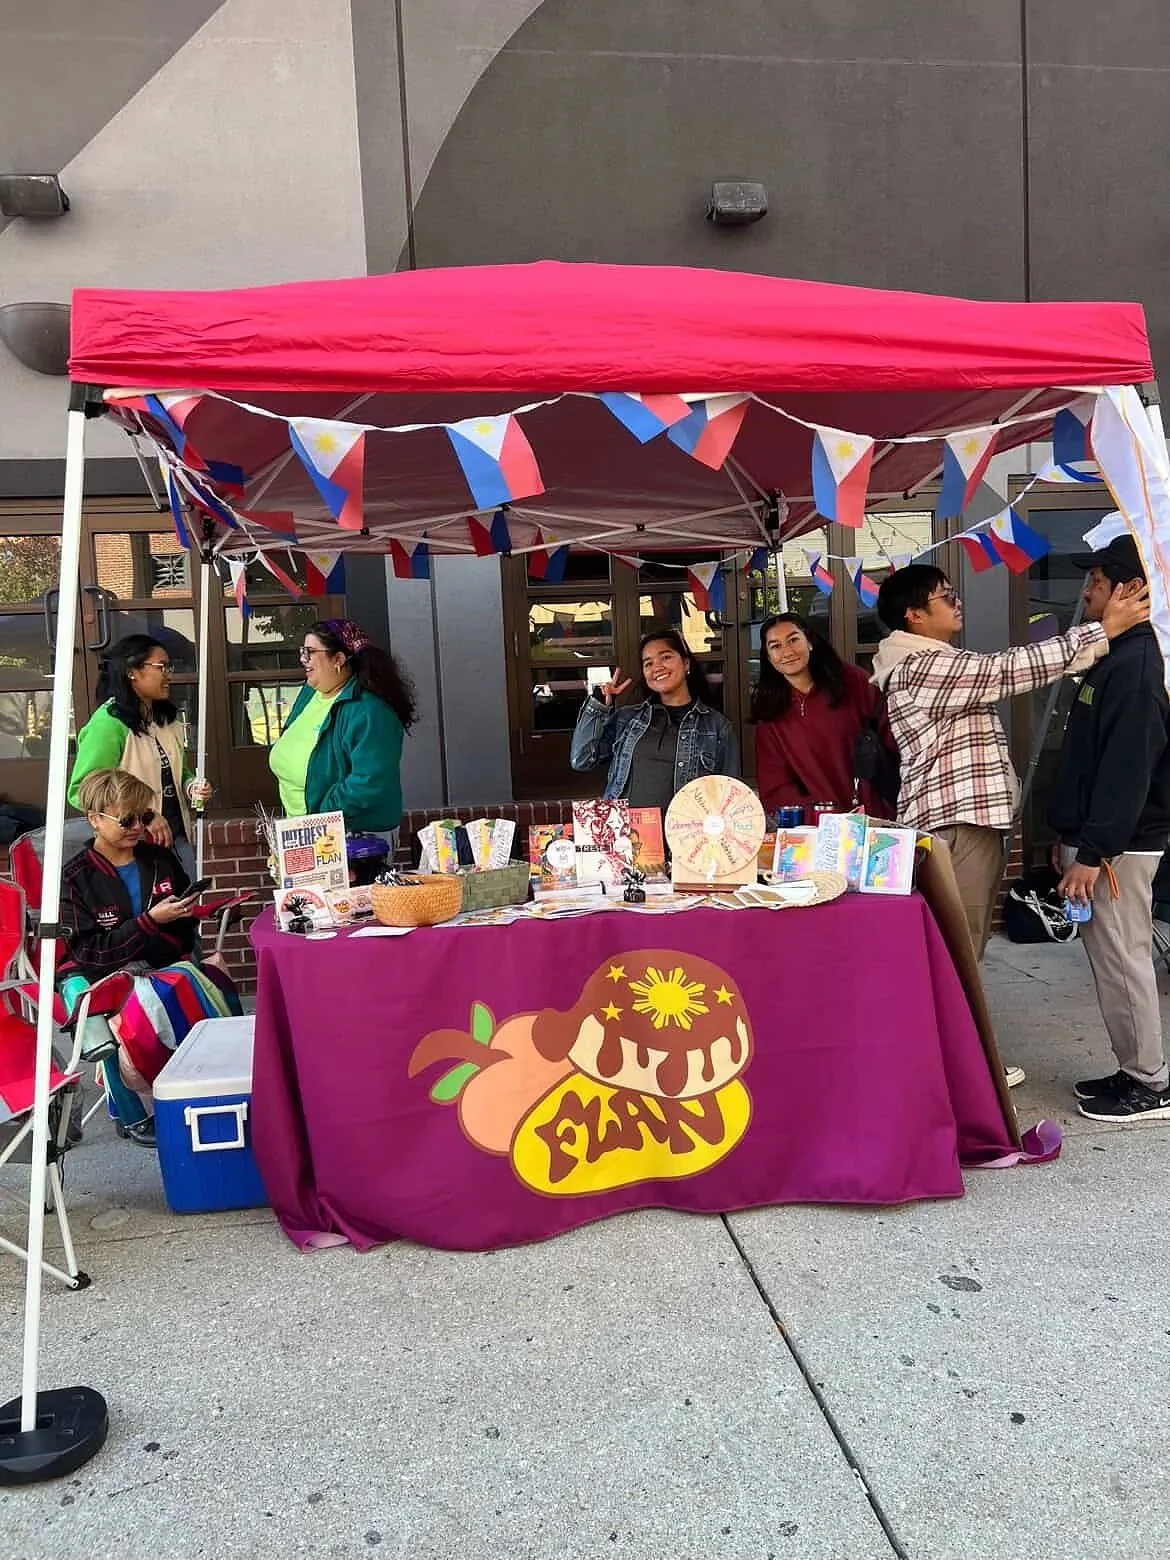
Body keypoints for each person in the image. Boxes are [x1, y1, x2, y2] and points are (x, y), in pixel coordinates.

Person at [872, 562, 1150, 1090]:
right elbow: (1007, 670)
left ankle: (954, 1063)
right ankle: (962, 1072)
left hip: (962, 825)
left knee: (959, 948)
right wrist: (1102, 632)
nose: (957, 602)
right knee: (959, 952)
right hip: (957, 826)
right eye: (945, 596)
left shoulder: (924, 661)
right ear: (914, 616)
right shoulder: (919, 666)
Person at [1049, 535, 1170, 1122]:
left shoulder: (1139, 666)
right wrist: (1069, 835)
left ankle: (1151, 1082)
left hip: (1120, 847)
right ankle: (1133, 1066)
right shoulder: (1115, 654)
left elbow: (1127, 771)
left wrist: (1092, 852)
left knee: (1124, 960)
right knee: (1113, 961)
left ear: (1130, 589)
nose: (1087, 592)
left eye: (1096, 582)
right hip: (1099, 841)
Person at [61, 769, 242, 1146]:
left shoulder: (159, 859)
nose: (137, 828)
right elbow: (91, 954)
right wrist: (149, 923)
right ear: (95, 819)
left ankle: (218, 1087)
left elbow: (183, 934)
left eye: (143, 817)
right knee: (133, 1004)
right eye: (126, 819)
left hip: (163, 967)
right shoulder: (75, 878)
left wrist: (192, 912)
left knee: (212, 981)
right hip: (104, 976)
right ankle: (138, 1110)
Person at [69, 634, 211, 878]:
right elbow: (82, 790)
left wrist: (191, 786)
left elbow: (177, 772)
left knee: (188, 896)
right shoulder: (108, 724)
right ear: (132, 672)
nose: (168, 675)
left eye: (169, 667)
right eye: (161, 667)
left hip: (176, 836)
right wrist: (143, 814)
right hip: (131, 846)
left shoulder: (167, 720)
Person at [269, 618, 416, 844]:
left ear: (338, 659)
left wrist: (320, 817)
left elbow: (367, 782)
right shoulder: (310, 694)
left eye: (310, 652)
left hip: (352, 837)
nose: (303, 659)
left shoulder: (370, 712)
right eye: (302, 651)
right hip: (304, 832)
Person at [751, 612, 896, 818]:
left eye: (793, 640)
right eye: (775, 646)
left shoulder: (851, 681)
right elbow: (775, 786)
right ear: (768, 657)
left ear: (810, 642)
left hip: (871, 817)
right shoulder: (769, 710)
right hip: (815, 826)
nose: (787, 651)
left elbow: (893, 734)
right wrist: (819, 815)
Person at [570, 629, 738, 805]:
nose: (657, 667)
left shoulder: (716, 726)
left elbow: (730, 794)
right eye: (648, 663)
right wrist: (598, 705)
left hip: (686, 823)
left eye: (666, 657)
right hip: (627, 822)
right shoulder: (626, 719)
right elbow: (581, 759)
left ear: (686, 663)